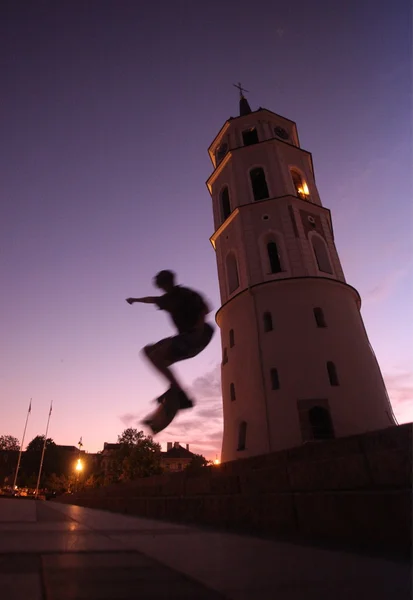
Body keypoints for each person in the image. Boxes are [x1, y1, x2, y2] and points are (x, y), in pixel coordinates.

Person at [126, 270, 214, 408]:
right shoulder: (166, 299)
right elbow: (151, 299)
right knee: (148, 351)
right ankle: (177, 391)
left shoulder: (185, 293)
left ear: (169, 282)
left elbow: (206, 308)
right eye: (161, 287)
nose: (163, 288)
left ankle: (180, 394)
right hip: (185, 339)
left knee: (157, 355)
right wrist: (135, 300)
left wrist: (198, 328)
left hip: (199, 336)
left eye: (163, 285)